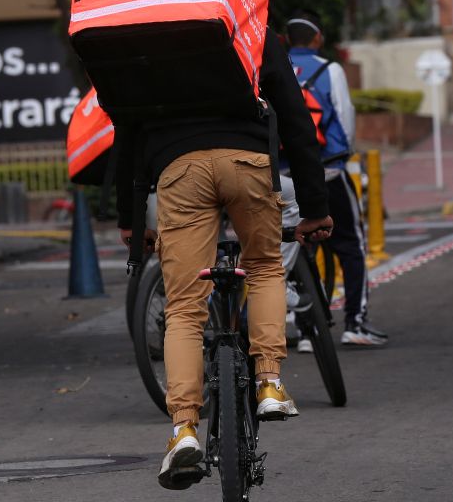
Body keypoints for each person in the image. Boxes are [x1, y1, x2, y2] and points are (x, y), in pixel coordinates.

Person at [114, 28, 334, 489]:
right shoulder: (252, 28)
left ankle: (184, 430)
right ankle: (269, 383)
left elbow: (128, 128)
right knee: (264, 266)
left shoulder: (149, 38)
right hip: (249, 162)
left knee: (185, 308)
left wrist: (131, 217)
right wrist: (314, 206)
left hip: (180, 169)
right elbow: (294, 117)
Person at [286, 10, 389, 347]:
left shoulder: (272, 68)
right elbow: (344, 120)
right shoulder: (329, 70)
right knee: (350, 246)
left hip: (284, 176)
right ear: (317, 38)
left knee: (299, 249)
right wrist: (343, 158)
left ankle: (306, 330)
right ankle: (355, 324)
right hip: (326, 170)